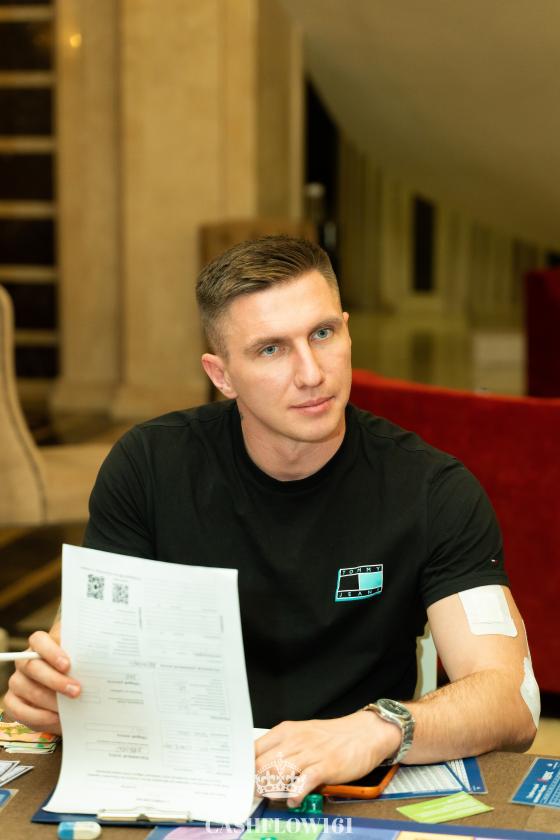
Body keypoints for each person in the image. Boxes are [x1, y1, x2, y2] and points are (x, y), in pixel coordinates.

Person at [4, 236, 538, 805]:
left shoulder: (432, 490)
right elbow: (80, 651)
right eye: (270, 350)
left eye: (322, 334)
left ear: (348, 331)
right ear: (221, 375)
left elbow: (512, 703)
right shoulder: (149, 467)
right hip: (182, 781)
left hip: (350, 789)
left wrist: (377, 729)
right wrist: (56, 690)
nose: (311, 373)